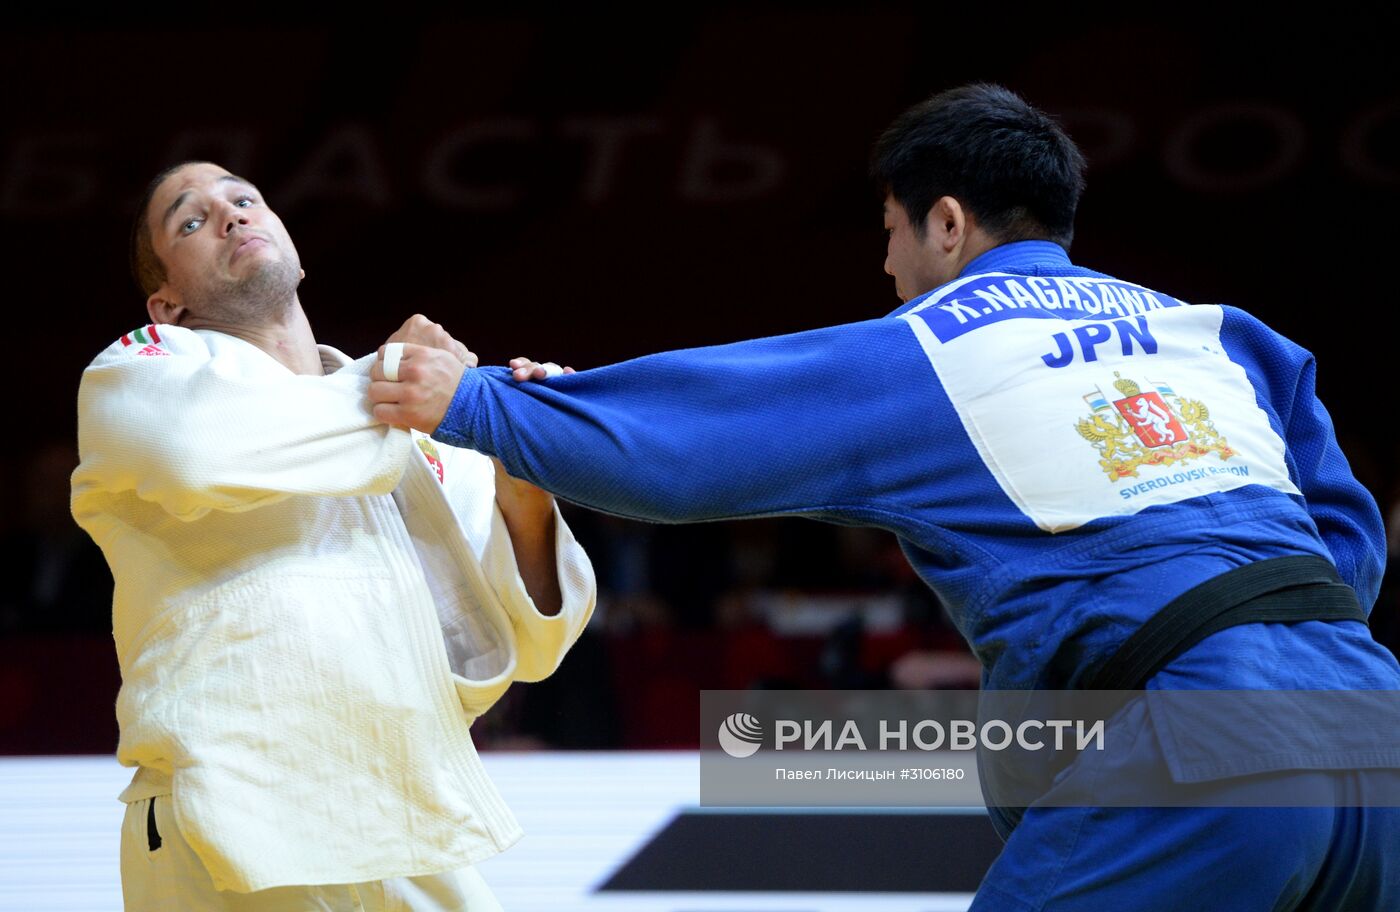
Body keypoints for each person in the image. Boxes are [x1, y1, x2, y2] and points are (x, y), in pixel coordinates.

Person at [369, 85, 1400, 909]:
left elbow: (687, 444)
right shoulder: (1219, 333)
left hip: (1201, 744)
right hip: (1368, 731)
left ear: (945, 223)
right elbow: (1344, 549)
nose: (886, 266)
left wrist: (477, 403)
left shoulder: (941, 346)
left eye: (892, 232)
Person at [70, 161, 597, 911]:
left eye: (245, 199)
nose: (231, 215)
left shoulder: (420, 433)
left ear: (292, 246)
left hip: (404, 814)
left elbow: (529, 647)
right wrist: (399, 375)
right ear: (169, 304)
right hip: (232, 809)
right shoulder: (139, 373)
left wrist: (525, 486)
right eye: (191, 220)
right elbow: (199, 456)